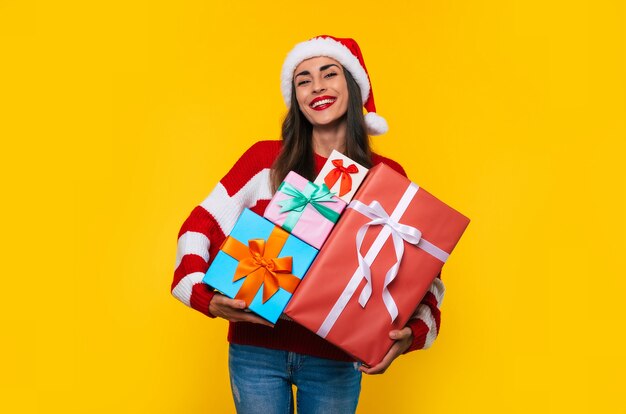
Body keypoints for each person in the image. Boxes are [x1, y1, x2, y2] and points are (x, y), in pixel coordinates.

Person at [171, 35, 445, 413]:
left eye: (329, 73)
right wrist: (206, 298)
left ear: (353, 86)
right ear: (295, 96)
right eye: (303, 79)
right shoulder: (265, 160)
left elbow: (420, 271)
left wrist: (410, 335)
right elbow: (199, 226)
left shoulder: (387, 178)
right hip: (256, 352)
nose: (317, 86)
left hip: (335, 358)